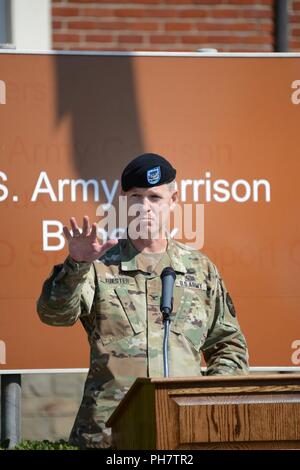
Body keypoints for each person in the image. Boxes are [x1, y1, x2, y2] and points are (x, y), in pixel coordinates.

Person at [37, 153, 249, 449]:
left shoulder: (200, 269)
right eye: (136, 197)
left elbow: (229, 345)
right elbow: (55, 314)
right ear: (123, 201)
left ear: (173, 200)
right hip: (109, 437)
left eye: (155, 197)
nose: (145, 207)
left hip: (184, 433)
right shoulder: (100, 264)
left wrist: (208, 402)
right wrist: (76, 265)